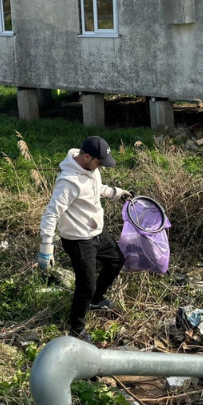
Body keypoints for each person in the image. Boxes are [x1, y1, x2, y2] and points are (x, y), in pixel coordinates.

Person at [39, 136, 131, 343]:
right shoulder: (68, 182)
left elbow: (97, 188)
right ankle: (77, 329)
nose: (101, 167)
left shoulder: (91, 169)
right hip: (78, 239)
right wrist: (46, 245)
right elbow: (51, 213)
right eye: (99, 162)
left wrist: (116, 193)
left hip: (97, 232)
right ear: (87, 156)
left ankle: (95, 301)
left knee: (116, 260)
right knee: (85, 284)